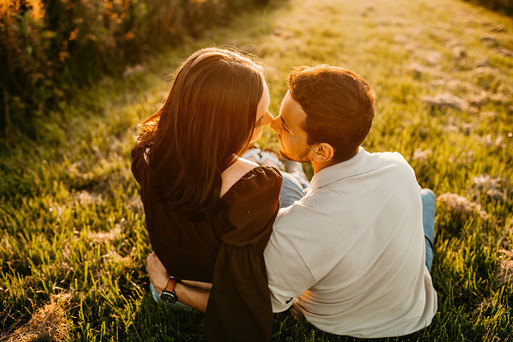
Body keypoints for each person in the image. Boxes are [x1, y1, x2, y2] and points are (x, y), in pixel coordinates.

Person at [147, 64, 438, 339]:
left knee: (287, 188)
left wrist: (169, 286)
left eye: (285, 126)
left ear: (322, 152)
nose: (272, 124)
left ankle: (292, 176)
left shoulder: (293, 232)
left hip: (341, 323)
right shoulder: (398, 167)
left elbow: (247, 306)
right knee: (423, 198)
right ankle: (296, 175)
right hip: (415, 309)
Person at [131, 47, 280, 341]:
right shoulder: (254, 187)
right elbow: (242, 299)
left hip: (166, 277)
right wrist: (171, 289)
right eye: (260, 118)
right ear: (229, 127)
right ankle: (276, 161)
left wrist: (164, 281)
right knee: (290, 186)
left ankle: (269, 158)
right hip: (204, 298)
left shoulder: (145, 153)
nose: (271, 120)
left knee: (269, 165)